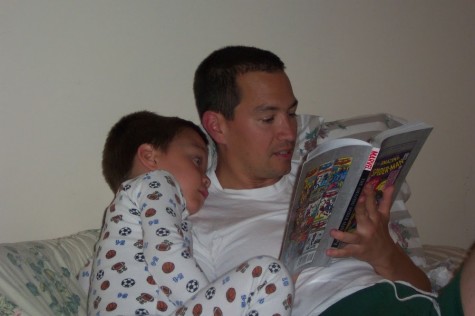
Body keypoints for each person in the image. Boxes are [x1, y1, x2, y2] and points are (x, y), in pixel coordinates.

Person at [189, 45, 468, 315]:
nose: (288, 132)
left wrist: (385, 253)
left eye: (290, 114)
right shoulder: (198, 219)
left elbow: (422, 288)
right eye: (268, 118)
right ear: (217, 126)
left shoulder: (334, 181)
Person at [86, 111, 294, 315]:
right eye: (196, 161)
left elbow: (89, 280)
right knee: (268, 274)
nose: (207, 179)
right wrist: (210, 297)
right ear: (150, 157)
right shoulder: (156, 182)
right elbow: (164, 251)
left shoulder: (116, 236)